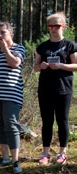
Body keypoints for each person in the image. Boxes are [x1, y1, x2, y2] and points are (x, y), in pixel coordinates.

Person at [34, 12, 77, 165]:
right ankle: (45, 153)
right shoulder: (42, 46)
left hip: (63, 88)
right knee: (47, 121)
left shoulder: (70, 45)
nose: (53, 29)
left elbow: (76, 66)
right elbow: (35, 68)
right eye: (50, 26)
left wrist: (60, 66)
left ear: (63, 26)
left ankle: (62, 153)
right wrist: (42, 66)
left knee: (62, 121)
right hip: (45, 89)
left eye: (56, 26)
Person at [0, 22, 26, 173]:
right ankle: (5, 157)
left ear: (11, 33)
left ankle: (15, 160)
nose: (0, 36)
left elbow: (15, 63)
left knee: (11, 124)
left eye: (3, 33)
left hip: (11, 93)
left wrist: (6, 50)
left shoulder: (18, 48)